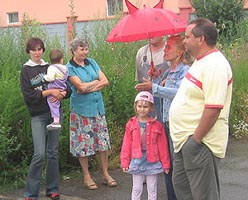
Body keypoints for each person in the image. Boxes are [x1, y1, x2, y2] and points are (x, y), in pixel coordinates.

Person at [169, 18, 233, 200]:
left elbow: (213, 108)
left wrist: (196, 140)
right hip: (184, 141)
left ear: (201, 39)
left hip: (201, 143)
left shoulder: (215, 65)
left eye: (188, 36)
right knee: (184, 190)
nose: (184, 41)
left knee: (204, 195)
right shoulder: (200, 62)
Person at [135, 34, 192, 200]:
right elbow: (162, 88)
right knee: (167, 163)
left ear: (180, 52)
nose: (165, 50)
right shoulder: (169, 70)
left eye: (169, 47)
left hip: (177, 124)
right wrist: (156, 78)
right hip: (165, 121)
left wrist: (154, 87)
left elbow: (180, 93)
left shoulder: (185, 71)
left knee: (177, 166)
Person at [20, 37, 71, 200]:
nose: (37, 52)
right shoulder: (26, 70)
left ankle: (53, 189)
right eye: (33, 49)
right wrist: (49, 92)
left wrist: (62, 94)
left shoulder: (51, 66)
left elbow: (67, 88)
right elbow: (29, 96)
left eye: (40, 49)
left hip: (54, 115)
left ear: (43, 50)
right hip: (38, 116)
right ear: (29, 51)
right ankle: (31, 193)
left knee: (53, 152)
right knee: (39, 154)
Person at [66, 37, 117, 190]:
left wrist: (91, 86)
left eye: (86, 49)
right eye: (81, 49)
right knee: (84, 144)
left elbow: (105, 81)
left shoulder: (92, 62)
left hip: (97, 108)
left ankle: (105, 173)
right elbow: (79, 88)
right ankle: (86, 176)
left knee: (103, 143)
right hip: (81, 111)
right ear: (74, 50)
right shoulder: (69, 67)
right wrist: (95, 84)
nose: (85, 52)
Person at [120, 91, 171, 200]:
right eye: (140, 106)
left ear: (151, 108)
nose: (142, 109)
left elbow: (162, 146)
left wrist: (166, 163)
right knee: (137, 188)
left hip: (152, 161)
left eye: (145, 107)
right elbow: (126, 144)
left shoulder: (157, 125)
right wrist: (125, 161)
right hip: (137, 161)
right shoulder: (131, 124)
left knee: (152, 188)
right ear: (135, 107)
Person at [135, 36, 170, 123]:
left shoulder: (169, 50)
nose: (152, 36)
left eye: (155, 33)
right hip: (147, 103)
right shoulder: (142, 53)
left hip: (165, 102)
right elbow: (139, 79)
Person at [43, 49, 68, 130]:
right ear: (61, 59)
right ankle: (56, 120)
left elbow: (50, 78)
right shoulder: (65, 68)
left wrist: (44, 77)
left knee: (52, 102)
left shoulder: (52, 68)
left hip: (54, 86)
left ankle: (56, 121)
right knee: (57, 103)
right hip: (62, 87)